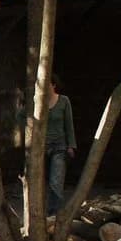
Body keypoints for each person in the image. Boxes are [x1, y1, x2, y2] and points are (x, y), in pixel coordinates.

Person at [39, 74, 77, 203]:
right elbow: (21, 116)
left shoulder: (63, 101)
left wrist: (71, 145)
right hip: (41, 146)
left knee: (56, 180)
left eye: (47, 84)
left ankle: (53, 213)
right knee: (38, 181)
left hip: (59, 146)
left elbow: (69, 124)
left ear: (53, 85)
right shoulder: (38, 101)